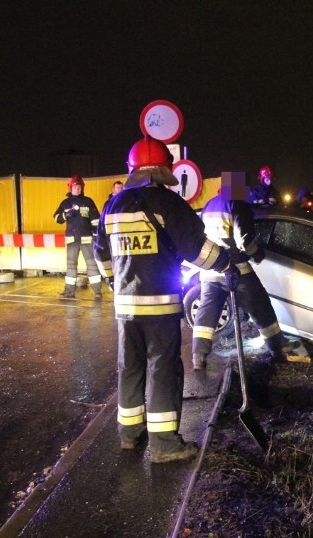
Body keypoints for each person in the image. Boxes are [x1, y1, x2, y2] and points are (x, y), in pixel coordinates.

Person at [94, 136, 234, 463]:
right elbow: (198, 250)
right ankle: (165, 445)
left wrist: (118, 284)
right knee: (164, 369)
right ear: (163, 170)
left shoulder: (112, 206)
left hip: (126, 309)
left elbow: (101, 256)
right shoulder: (168, 203)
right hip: (160, 306)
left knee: (129, 368)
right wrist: (226, 262)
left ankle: (130, 436)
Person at [192, 172, 291, 373]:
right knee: (260, 305)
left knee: (207, 311)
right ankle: (278, 350)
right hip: (238, 269)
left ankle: (198, 356)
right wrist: (257, 254)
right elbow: (244, 241)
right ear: (238, 189)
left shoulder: (210, 205)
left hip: (211, 269)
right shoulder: (237, 205)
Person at [53, 175, 103, 299]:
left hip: (87, 238)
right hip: (72, 239)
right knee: (71, 265)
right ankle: (69, 292)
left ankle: (97, 292)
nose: (77, 189)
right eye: (75, 186)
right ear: (70, 188)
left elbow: (96, 220)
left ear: (82, 188)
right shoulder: (66, 203)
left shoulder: (88, 201)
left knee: (92, 264)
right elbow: (56, 218)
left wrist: (96, 236)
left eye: (79, 186)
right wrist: (65, 215)